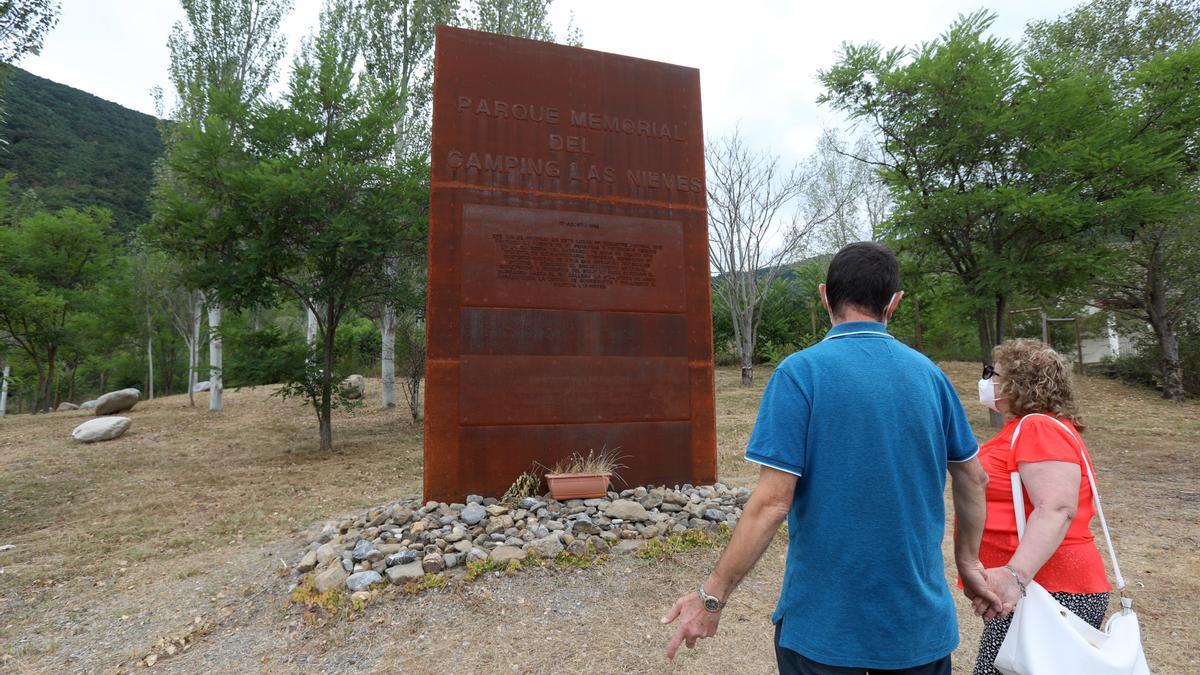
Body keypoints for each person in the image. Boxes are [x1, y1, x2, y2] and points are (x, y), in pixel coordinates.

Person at [662, 241, 1001, 674]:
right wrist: (969, 563)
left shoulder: (799, 374)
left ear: (825, 296)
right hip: (919, 633)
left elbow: (772, 502)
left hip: (822, 634)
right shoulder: (931, 376)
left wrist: (712, 597)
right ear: (893, 303)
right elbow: (974, 479)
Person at [970, 339, 1111, 674]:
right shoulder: (1030, 427)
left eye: (993, 373)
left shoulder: (1037, 427)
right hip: (1039, 586)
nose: (987, 380)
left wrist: (1014, 576)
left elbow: (1056, 508)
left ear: (1019, 384)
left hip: (1050, 588)